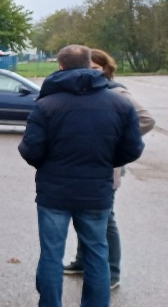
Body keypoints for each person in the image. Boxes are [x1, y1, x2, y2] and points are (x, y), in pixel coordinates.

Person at [18, 45, 144, 307]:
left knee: (51, 254)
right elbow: (132, 149)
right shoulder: (119, 103)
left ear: (60, 67)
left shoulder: (47, 105)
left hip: (54, 192)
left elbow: (30, 150)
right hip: (96, 191)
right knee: (97, 254)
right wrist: (105, 162)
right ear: (90, 65)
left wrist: (50, 164)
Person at [62, 48, 154, 289]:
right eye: (87, 68)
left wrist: (114, 140)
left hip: (106, 167)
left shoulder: (117, 92)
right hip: (86, 167)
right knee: (83, 216)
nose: (91, 73)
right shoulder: (86, 91)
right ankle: (82, 262)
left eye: (96, 68)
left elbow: (146, 120)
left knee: (106, 220)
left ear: (106, 69)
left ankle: (113, 272)